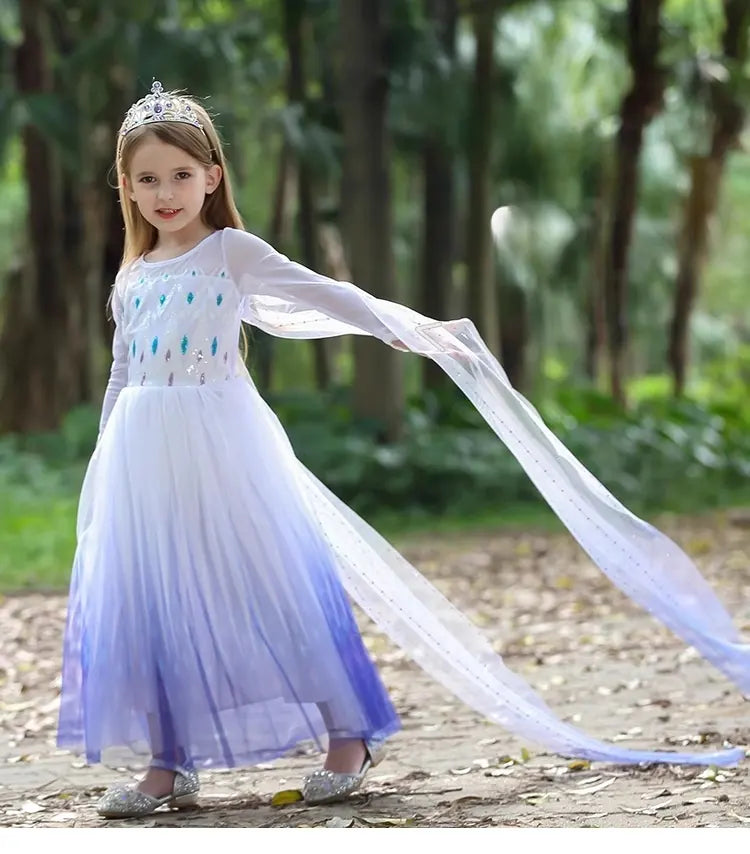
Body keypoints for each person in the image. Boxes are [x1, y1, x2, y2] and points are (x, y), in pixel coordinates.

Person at [58, 82, 749, 820]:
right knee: (155, 602)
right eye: (149, 180)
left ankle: (348, 736)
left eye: (182, 176)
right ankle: (169, 764)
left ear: (213, 177)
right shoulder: (133, 275)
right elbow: (123, 372)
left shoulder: (231, 252)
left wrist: (402, 327)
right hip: (142, 457)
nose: (166, 193)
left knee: (278, 588)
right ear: (126, 188)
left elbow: (327, 292)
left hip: (224, 446)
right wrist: (106, 461)